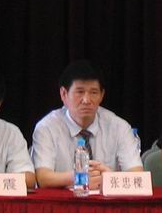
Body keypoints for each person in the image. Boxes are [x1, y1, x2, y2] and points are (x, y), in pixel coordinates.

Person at [31, 60, 144, 188]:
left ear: (102, 95)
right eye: (79, 92)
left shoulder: (119, 127)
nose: (86, 100)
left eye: (93, 92)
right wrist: (79, 178)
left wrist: (110, 178)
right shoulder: (47, 127)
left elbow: (138, 176)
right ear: (64, 94)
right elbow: (43, 178)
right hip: (65, 199)